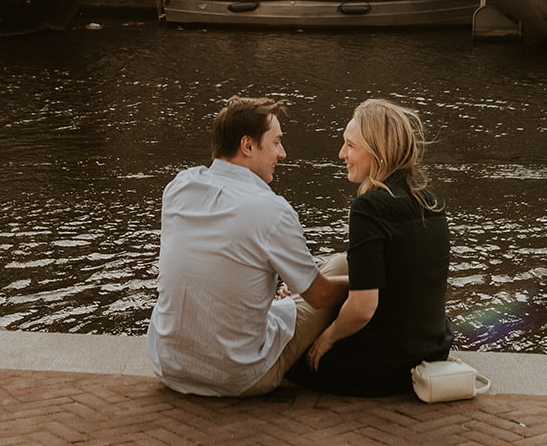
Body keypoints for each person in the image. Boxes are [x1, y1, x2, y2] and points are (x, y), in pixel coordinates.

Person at [146, 96, 348, 397]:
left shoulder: (178, 187)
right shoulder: (272, 210)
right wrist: (369, 282)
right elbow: (320, 297)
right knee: (343, 265)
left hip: (169, 366)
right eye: (276, 142)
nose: (282, 153)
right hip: (239, 377)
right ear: (248, 146)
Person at [287, 98, 452, 396]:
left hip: (384, 367)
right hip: (432, 350)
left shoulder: (369, 207)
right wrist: (307, 289)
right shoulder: (432, 202)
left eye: (350, 145)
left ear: (377, 151)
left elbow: (363, 308)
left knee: (291, 358)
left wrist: (327, 339)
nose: (341, 154)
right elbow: (397, 283)